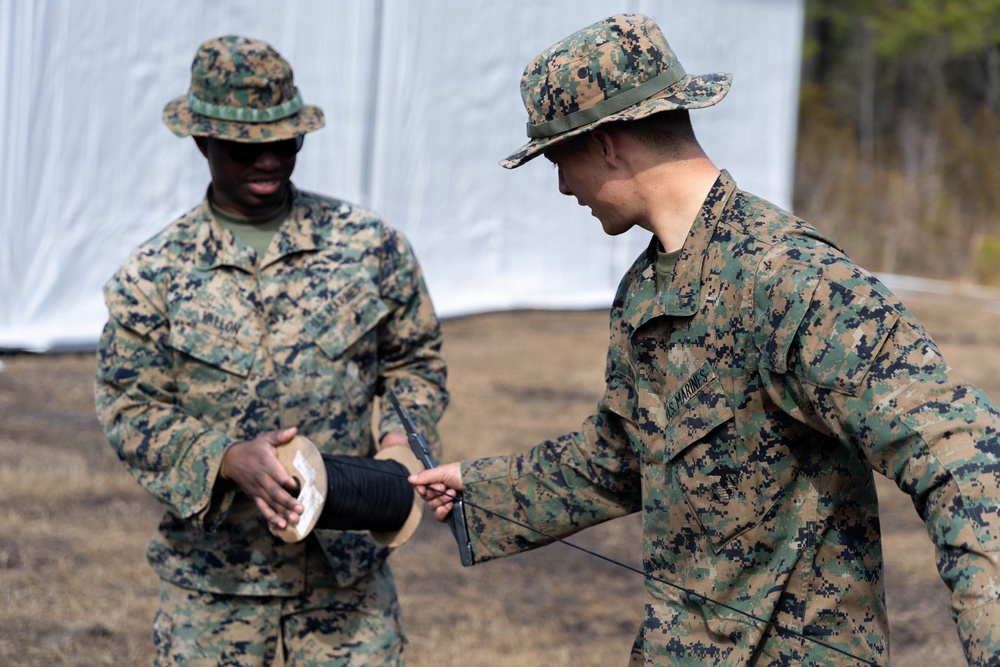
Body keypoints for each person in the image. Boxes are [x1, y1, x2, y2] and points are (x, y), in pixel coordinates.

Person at [410, 13, 1000, 666]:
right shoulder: (647, 289)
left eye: (560, 158)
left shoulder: (787, 277)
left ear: (607, 143)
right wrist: (482, 488)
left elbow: (957, 449)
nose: (561, 185)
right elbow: (622, 453)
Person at [95, 35, 448, 666]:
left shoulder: (367, 247)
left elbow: (413, 361)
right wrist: (224, 459)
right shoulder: (154, 275)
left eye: (285, 142)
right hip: (216, 585)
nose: (269, 161)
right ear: (202, 141)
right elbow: (130, 407)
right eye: (245, 148)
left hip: (346, 580)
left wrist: (399, 443)